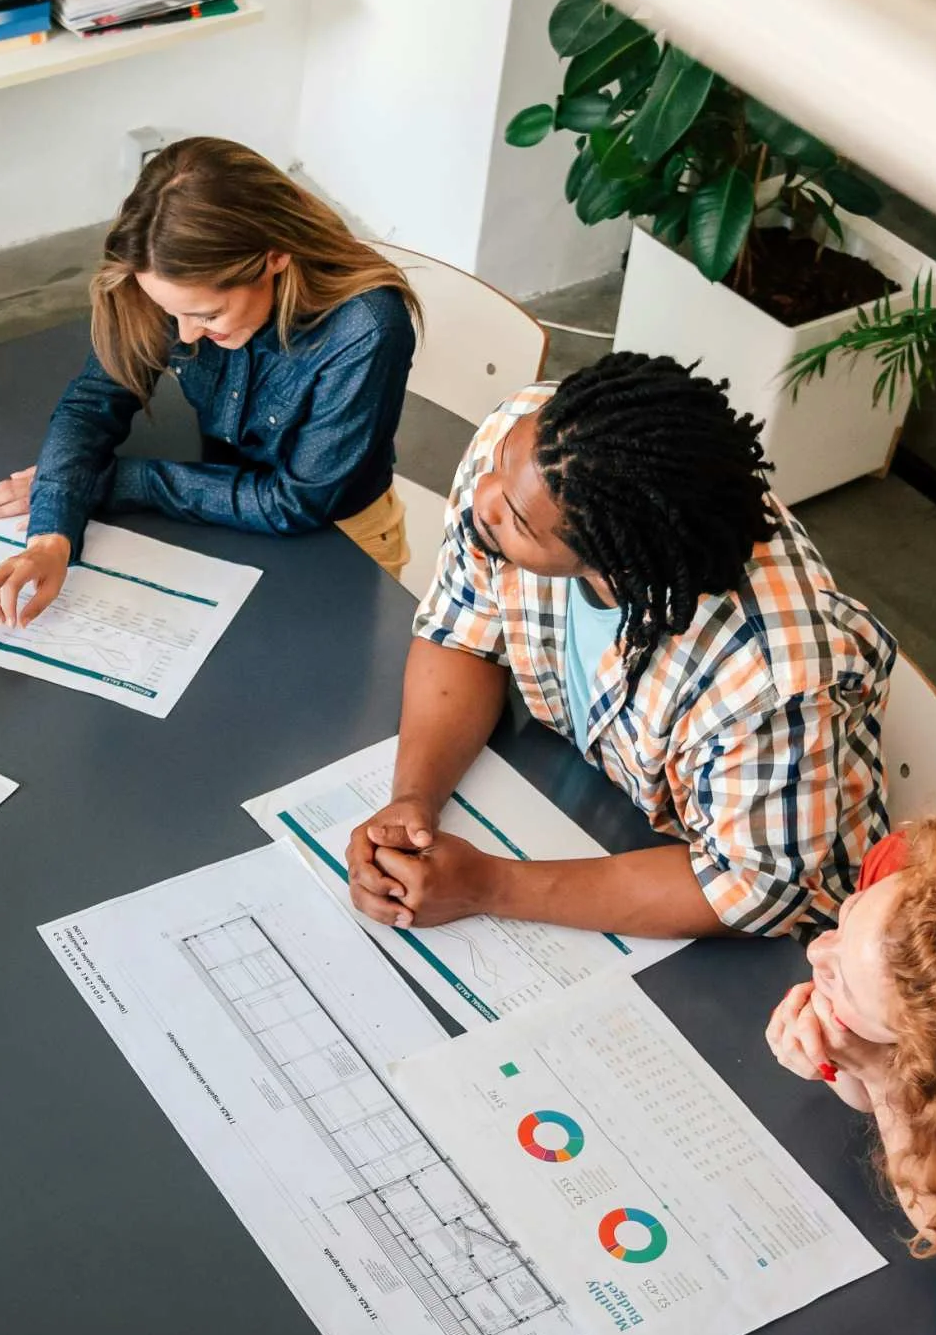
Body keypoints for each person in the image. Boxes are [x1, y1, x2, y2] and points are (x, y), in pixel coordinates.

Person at [346, 352, 895, 942]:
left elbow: (752, 889)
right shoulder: (545, 447)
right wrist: (412, 801)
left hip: (776, 923)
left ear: (616, 564)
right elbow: (464, 636)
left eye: (519, 524)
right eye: (502, 465)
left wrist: (489, 887)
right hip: (599, 802)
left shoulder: (770, 676)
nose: (484, 497)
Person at [0, 137, 419, 627]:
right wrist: (50, 534)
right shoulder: (163, 271)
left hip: (337, 539)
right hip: (213, 505)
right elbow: (93, 401)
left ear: (275, 257)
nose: (185, 335)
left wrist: (106, 479)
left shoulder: (368, 328)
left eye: (207, 314)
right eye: (171, 314)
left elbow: (297, 501)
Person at [766, 786, 936, 1267]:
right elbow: (864, 1093)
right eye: (849, 916)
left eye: (838, 975)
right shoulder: (905, 874)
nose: (814, 951)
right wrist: (839, 1045)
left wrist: (879, 1072)